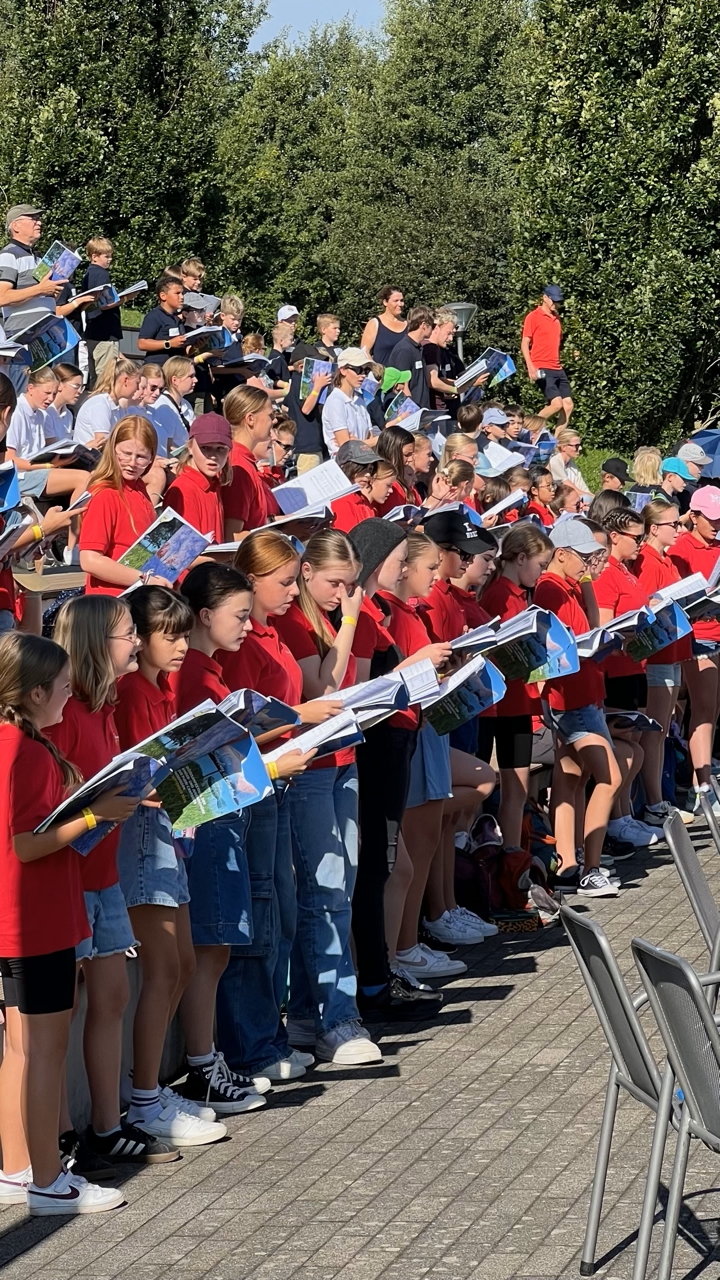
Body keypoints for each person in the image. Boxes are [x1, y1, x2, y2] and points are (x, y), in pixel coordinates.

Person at [114, 586, 262, 1127]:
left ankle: (151, 1092)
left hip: (171, 834)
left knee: (179, 965)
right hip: (144, 837)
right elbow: (135, 780)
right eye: (167, 636)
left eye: (182, 635)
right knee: (164, 967)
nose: (180, 647)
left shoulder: (157, 689)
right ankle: (144, 1100)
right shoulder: (132, 692)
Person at [0, 631, 128, 1215]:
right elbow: (25, 846)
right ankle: (48, 1182)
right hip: (35, 921)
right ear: (31, 693)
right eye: (59, 686)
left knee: (21, 1053)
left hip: (20, 920)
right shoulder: (23, 750)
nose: (69, 693)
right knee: (44, 1053)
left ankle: (18, 1169)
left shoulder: (14, 742)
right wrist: (92, 816)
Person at [47, 595, 177, 1167]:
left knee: (112, 995)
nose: (136, 642)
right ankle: (60, 1137)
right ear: (100, 642)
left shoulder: (101, 707)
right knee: (61, 1012)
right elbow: (54, 807)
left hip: (103, 877)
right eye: (128, 633)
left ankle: (106, 1124)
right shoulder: (68, 711)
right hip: (72, 879)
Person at [226, 531, 358, 1072]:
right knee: (264, 914)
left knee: (283, 909)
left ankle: (278, 1035)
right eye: (284, 582)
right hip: (266, 780)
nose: (291, 591)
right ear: (251, 581)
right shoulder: (247, 640)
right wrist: (297, 717)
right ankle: (258, 1044)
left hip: (282, 774)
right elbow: (236, 729)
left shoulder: (266, 631)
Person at [172, 564, 300, 1093]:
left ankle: (222, 1055)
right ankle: (212, 1062)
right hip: (209, 823)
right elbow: (196, 768)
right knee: (216, 942)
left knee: (227, 940)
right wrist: (271, 765)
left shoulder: (211, 672)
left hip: (226, 815)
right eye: (240, 616)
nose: (249, 626)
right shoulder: (193, 678)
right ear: (205, 616)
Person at [269, 529, 383, 1064]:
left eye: (352, 584)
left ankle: (313, 1017)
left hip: (340, 760)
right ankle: (334, 1018)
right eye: (335, 582)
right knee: (324, 890)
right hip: (308, 766)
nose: (344, 593)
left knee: (341, 887)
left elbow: (348, 687)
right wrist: (352, 621)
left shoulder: (325, 616)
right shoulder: (293, 619)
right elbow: (324, 686)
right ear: (307, 572)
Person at [533, 521, 621, 898]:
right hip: (570, 699)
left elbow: (591, 625)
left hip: (580, 694)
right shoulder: (550, 589)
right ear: (562, 554)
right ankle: (591, 867)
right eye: (583, 558)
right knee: (610, 777)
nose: (589, 565)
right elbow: (559, 648)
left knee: (570, 780)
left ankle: (569, 863)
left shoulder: (567, 583)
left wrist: (584, 580)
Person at [480, 523, 554, 851]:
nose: (541, 574)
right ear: (520, 558)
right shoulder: (500, 594)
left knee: (518, 788)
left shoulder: (517, 595)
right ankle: (509, 857)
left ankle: (514, 856)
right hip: (508, 704)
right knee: (514, 788)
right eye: (540, 566)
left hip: (520, 702)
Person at [594, 507, 659, 848]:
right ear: (615, 536)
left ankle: (623, 816)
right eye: (637, 537)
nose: (642, 543)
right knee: (622, 747)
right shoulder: (606, 574)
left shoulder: (626, 570)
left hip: (634, 666)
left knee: (633, 743)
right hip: (615, 671)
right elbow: (602, 630)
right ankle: (617, 820)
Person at [631, 499, 693, 827]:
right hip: (655, 656)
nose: (678, 529)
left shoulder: (665, 560)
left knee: (663, 729)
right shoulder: (648, 561)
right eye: (673, 524)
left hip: (671, 651)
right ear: (654, 528)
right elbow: (643, 608)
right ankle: (654, 803)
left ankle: (660, 798)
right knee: (655, 731)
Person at [78, 417, 173, 595]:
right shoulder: (106, 494)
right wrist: (145, 579)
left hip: (137, 595)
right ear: (113, 450)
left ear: (152, 457)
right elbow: (90, 560)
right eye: (126, 454)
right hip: (112, 602)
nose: (132, 463)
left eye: (141, 457)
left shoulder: (139, 488)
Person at [668, 486, 720, 808]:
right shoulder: (682, 547)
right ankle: (700, 786)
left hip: (716, 628)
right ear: (695, 516)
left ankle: (701, 778)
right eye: (711, 519)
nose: (716, 526)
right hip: (696, 635)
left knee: (712, 710)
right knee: (701, 710)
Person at [5, 368, 89, 511]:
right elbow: (9, 460)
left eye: (54, 394)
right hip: (19, 477)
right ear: (31, 388)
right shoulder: (17, 412)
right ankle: (75, 531)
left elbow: (54, 445)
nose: (50, 399)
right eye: (47, 393)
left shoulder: (41, 414)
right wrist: (48, 466)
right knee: (83, 478)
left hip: (36, 471)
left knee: (92, 475)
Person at [222, 385, 279, 539]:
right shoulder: (239, 466)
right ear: (250, 419)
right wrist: (280, 534)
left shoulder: (244, 459)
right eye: (270, 415)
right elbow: (232, 535)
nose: (274, 421)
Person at [0, 205, 65, 336]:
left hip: (47, 335)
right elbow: (2, 297)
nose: (39, 222)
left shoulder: (41, 258)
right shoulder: (8, 255)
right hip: (23, 337)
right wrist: (40, 289)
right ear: (16, 226)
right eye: (33, 219)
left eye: (39, 218)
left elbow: (48, 297)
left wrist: (56, 284)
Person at [520, 284, 573, 425]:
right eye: (553, 300)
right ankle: (528, 429)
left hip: (557, 367)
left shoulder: (557, 319)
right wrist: (531, 367)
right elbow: (525, 344)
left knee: (568, 405)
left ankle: (556, 443)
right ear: (545, 298)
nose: (556, 304)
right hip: (541, 367)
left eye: (558, 301)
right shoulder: (533, 317)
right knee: (556, 404)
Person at [78, 237, 123, 385]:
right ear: (94, 256)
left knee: (94, 377)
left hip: (92, 331)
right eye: (106, 256)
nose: (110, 260)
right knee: (106, 378)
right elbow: (105, 303)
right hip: (106, 333)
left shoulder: (88, 273)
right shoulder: (102, 274)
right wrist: (126, 298)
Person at [73, 355, 140, 448]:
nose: (138, 388)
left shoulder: (117, 407)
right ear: (126, 380)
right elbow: (102, 443)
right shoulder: (100, 404)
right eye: (137, 383)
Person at [322, 348, 376, 457]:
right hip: (345, 465)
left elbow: (369, 437)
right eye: (358, 369)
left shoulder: (360, 400)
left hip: (363, 461)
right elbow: (345, 446)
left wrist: (357, 443)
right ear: (343, 370)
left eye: (366, 370)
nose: (363, 375)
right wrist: (381, 439)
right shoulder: (335, 401)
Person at [386, 306, 435, 409]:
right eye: (432, 325)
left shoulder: (418, 347)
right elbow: (402, 387)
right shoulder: (405, 349)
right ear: (423, 325)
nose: (433, 329)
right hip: (411, 414)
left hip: (422, 411)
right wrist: (414, 413)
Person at [151, 356, 197, 456]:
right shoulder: (163, 405)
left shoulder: (185, 404)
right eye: (191, 376)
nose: (196, 380)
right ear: (175, 380)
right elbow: (169, 447)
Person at [137, 275, 187, 365]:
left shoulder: (177, 318)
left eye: (182, 293)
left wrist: (196, 346)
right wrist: (169, 343)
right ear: (163, 296)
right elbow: (142, 343)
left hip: (174, 370)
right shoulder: (154, 316)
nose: (182, 297)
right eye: (177, 293)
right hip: (156, 370)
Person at [360, 286, 408, 365]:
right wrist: (376, 370)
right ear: (385, 302)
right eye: (396, 301)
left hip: (405, 375)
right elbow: (364, 351)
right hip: (383, 375)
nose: (400, 304)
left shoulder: (408, 324)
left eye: (401, 300)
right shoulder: (375, 323)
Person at [423, 309, 459, 412]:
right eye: (448, 333)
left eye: (452, 334)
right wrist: (454, 390)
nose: (451, 339)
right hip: (434, 409)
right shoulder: (431, 348)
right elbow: (433, 381)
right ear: (437, 327)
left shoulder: (423, 345)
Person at [45, 363, 83, 441]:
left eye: (81, 387)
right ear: (60, 385)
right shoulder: (45, 412)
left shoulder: (68, 415)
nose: (80, 391)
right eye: (76, 386)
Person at [548, 428, 591, 494]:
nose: (580, 448)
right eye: (576, 446)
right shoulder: (555, 461)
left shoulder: (571, 464)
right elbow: (569, 488)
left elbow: (583, 488)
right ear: (563, 447)